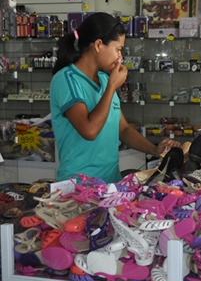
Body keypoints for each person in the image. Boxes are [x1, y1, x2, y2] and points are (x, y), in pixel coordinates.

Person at [50, 12, 178, 183]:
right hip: (79, 187)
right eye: (118, 49)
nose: (120, 57)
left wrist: (154, 150)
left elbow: (123, 129)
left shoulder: (104, 79)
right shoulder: (66, 80)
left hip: (110, 183)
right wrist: (111, 87)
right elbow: (89, 130)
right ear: (98, 45)